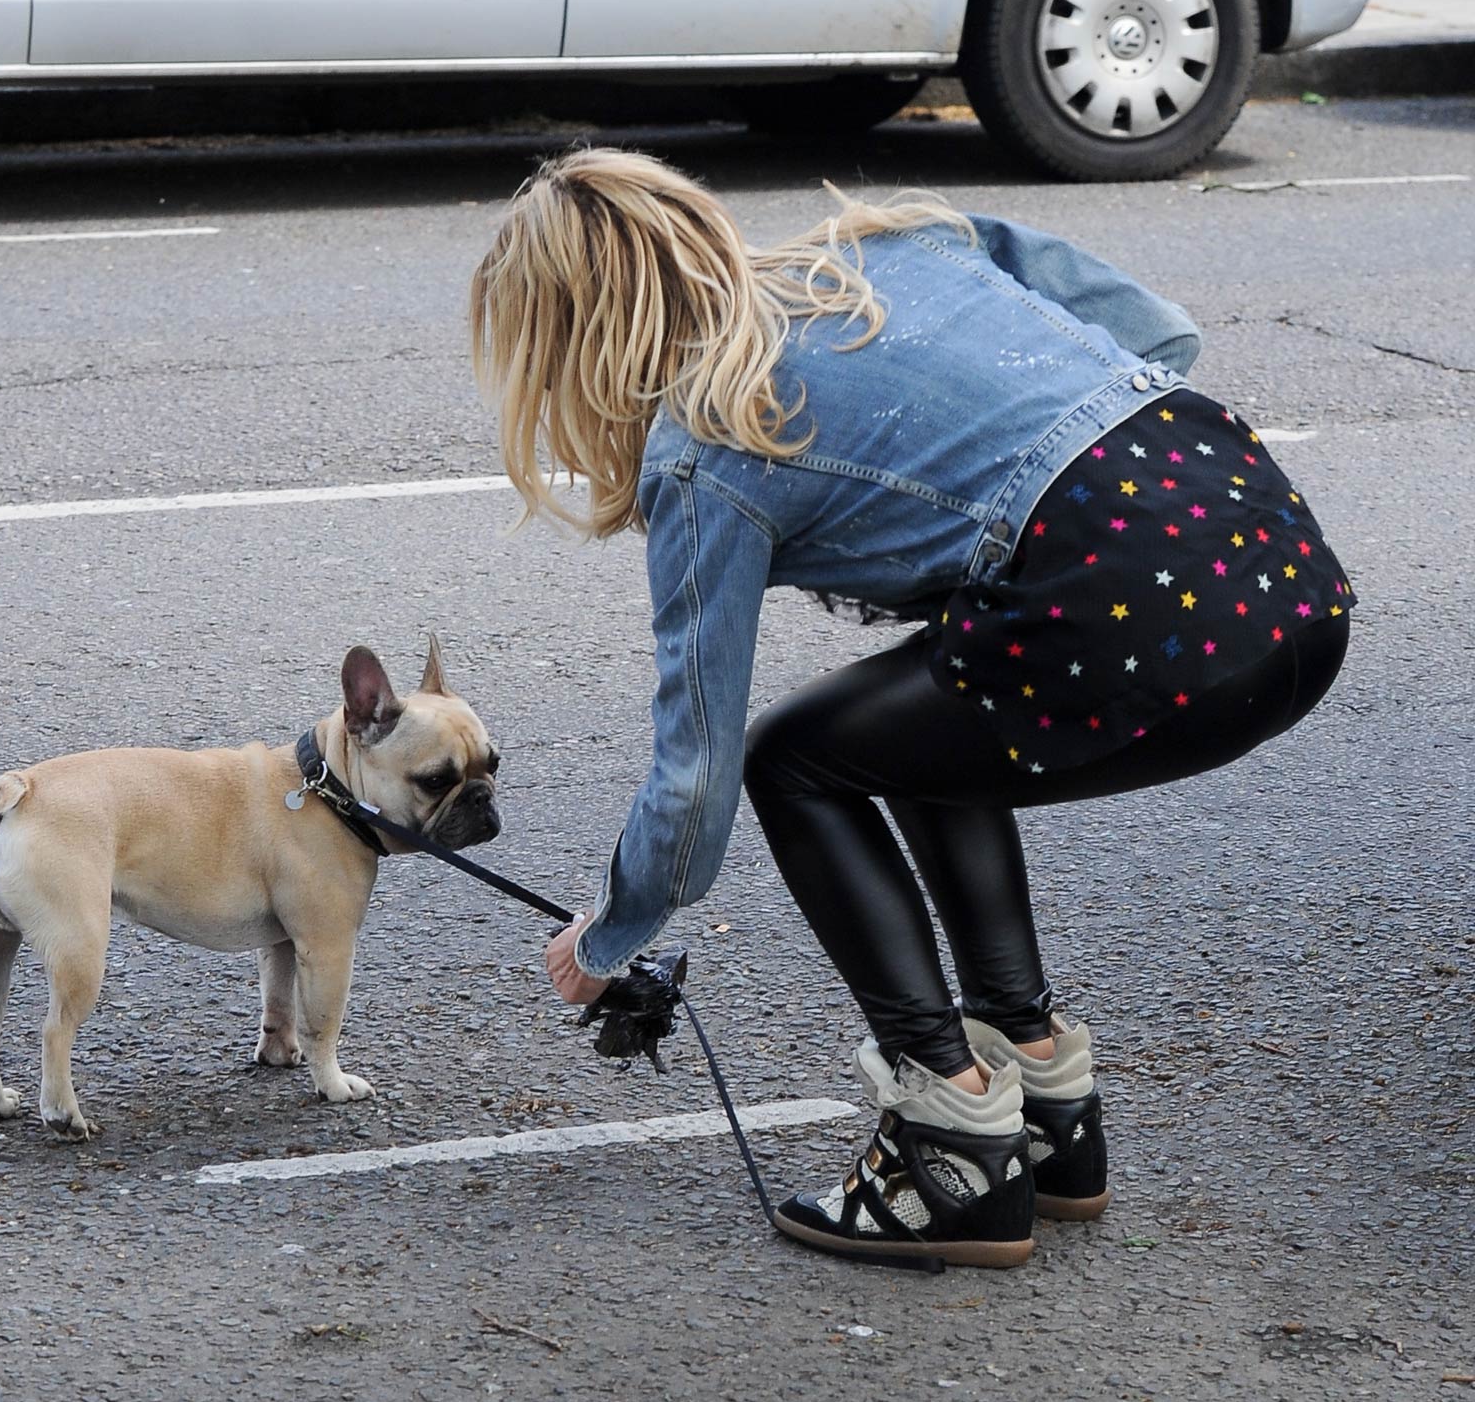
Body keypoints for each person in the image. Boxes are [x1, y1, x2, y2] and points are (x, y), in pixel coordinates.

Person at [470, 148, 1352, 1271]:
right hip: (1284, 564)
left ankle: (952, 1137)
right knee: (927, 708)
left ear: (569, 343)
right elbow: (1162, 337)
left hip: (1160, 625)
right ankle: (1045, 1110)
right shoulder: (896, 244)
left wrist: (609, 933)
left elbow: (695, 789)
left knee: (793, 757)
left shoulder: (706, 445)